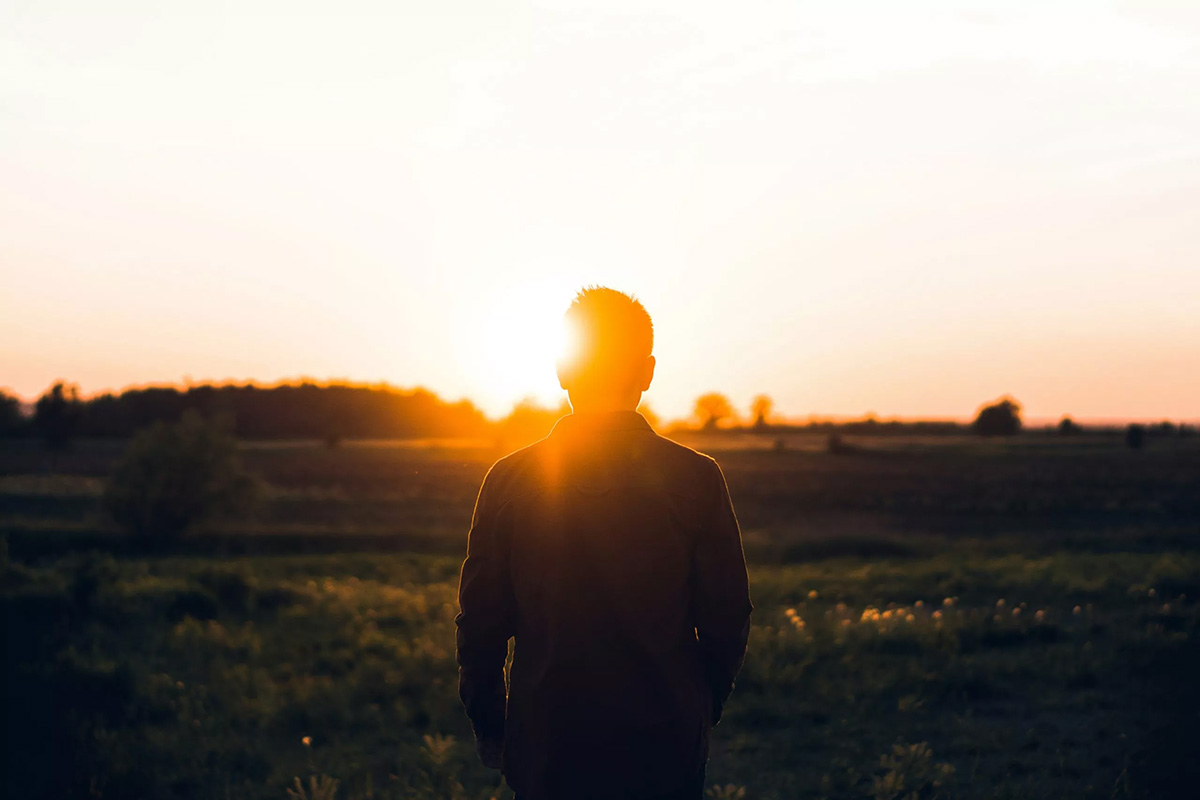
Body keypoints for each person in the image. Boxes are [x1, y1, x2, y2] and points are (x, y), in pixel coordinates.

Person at [456, 287, 753, 800]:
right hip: (664, 746)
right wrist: (701, 709)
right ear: (648, 372)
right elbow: (727, 617)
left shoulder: (508, 480)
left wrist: (492, 728)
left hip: (548, 747)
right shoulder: (697, 480)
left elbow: (480, 625)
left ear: (563, 370)